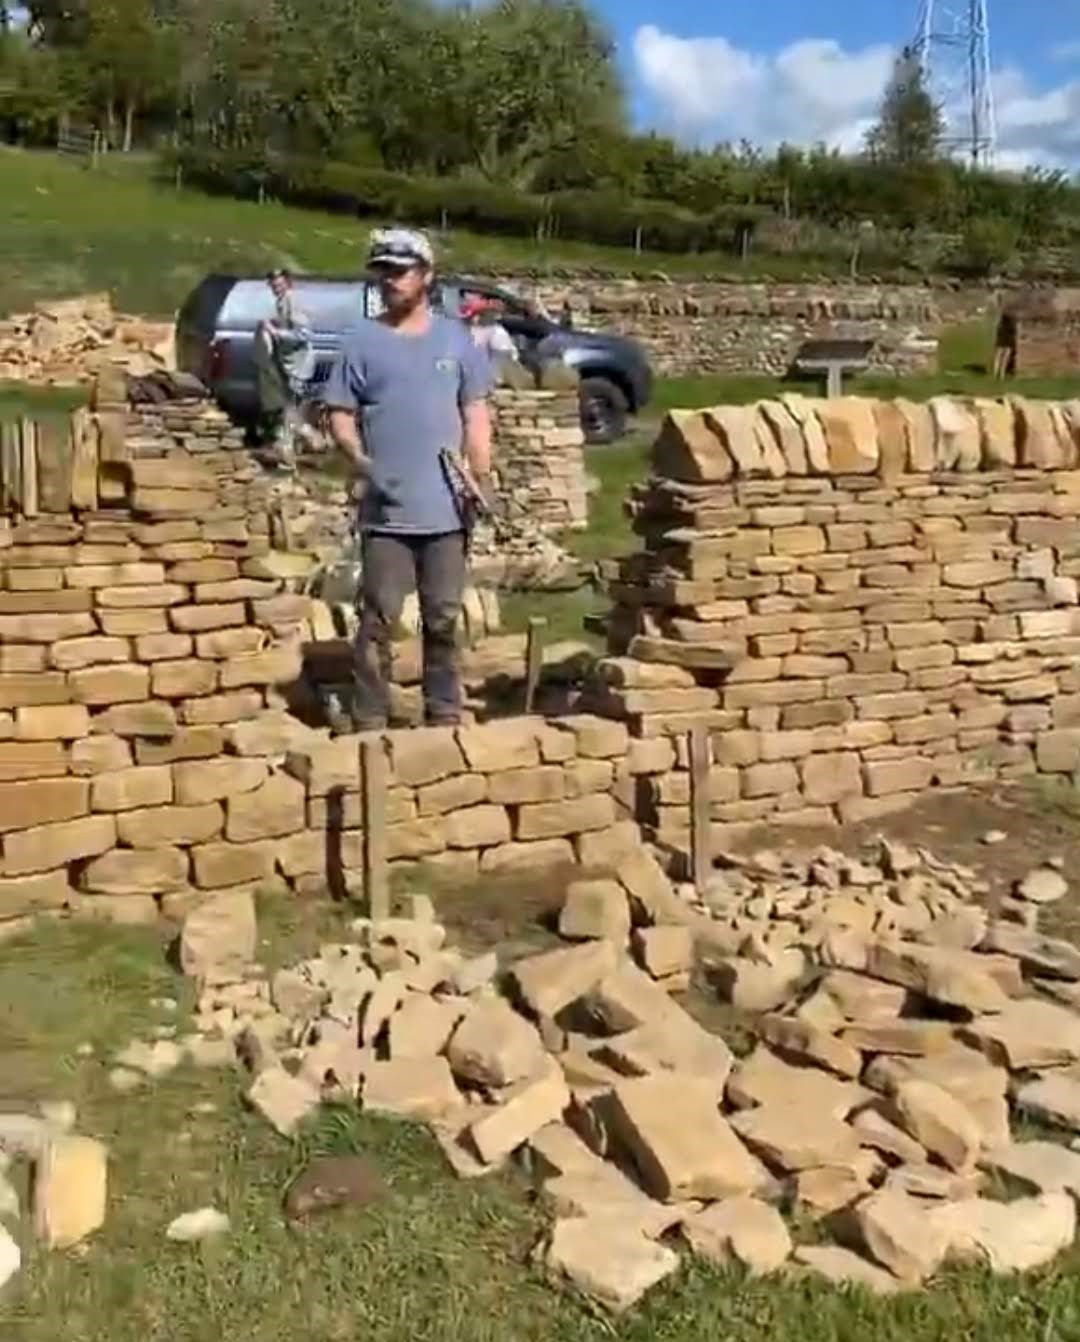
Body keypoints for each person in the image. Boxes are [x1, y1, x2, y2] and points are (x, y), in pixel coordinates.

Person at [323, 227, 494, 730]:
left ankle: (442, 713)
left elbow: (476, 412)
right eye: (382, 272)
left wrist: (479, 474)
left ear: (427, 276)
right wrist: (359, 458)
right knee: (377, 619)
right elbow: (339, 413)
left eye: (399, 272)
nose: (389, 281)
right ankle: (370, 719)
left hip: (445, 511)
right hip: (386, 513)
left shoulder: (455, 340)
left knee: (442, 620)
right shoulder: (361, 342)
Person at [255, 268, 316, 462]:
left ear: (288, 283)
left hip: (299, 365)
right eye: (273, 285)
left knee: (291, 408)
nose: (276, 288)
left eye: (280, 284)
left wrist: (274, 332)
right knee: (288, 407)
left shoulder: (293, 300)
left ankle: (295, 447)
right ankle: (302, 443)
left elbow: (303, 334)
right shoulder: (281, 302)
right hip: (288, 364)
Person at [461, 296, 519, 372]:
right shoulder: (466, 330)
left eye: (480, 314)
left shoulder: (497, 332)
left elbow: (501, 361)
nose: (475, 318)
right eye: (472, 315)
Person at [992, 306, 1018, 379]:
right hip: (1009, 341)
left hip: (1001, 340)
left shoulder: (1001, 326)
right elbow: (1014, 332)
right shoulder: (1012, 326)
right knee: (1005, 358)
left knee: (998, 357)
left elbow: (998, 333)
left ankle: (995, 373)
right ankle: (1001, 374)